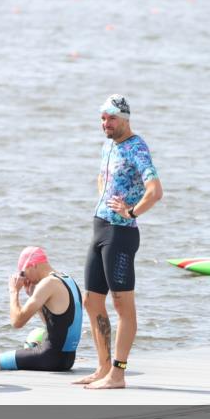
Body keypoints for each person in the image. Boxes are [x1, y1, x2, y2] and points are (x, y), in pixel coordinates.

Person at [80, 95, 163, 389]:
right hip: (100, 227)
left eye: (112, 118)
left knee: (122, 304)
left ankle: (118, 372)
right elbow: (102, 180)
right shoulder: (108, 145)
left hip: (121, 232)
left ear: (125, 119)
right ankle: (102, 367)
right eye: (103, 118)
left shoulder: (136, 147)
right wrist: (105, 197)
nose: (106, 123)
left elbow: (155, 190)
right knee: (91, 301)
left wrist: (131, 210)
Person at [0, 246, 84, 375]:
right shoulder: (67, 279)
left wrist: (13, 292)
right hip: (67, 360)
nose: (26, 279)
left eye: (23, 273)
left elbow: (17, 322)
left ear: (33, 265)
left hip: (49, 358)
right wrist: (33, 297)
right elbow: (56, 325)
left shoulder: (47, 283)